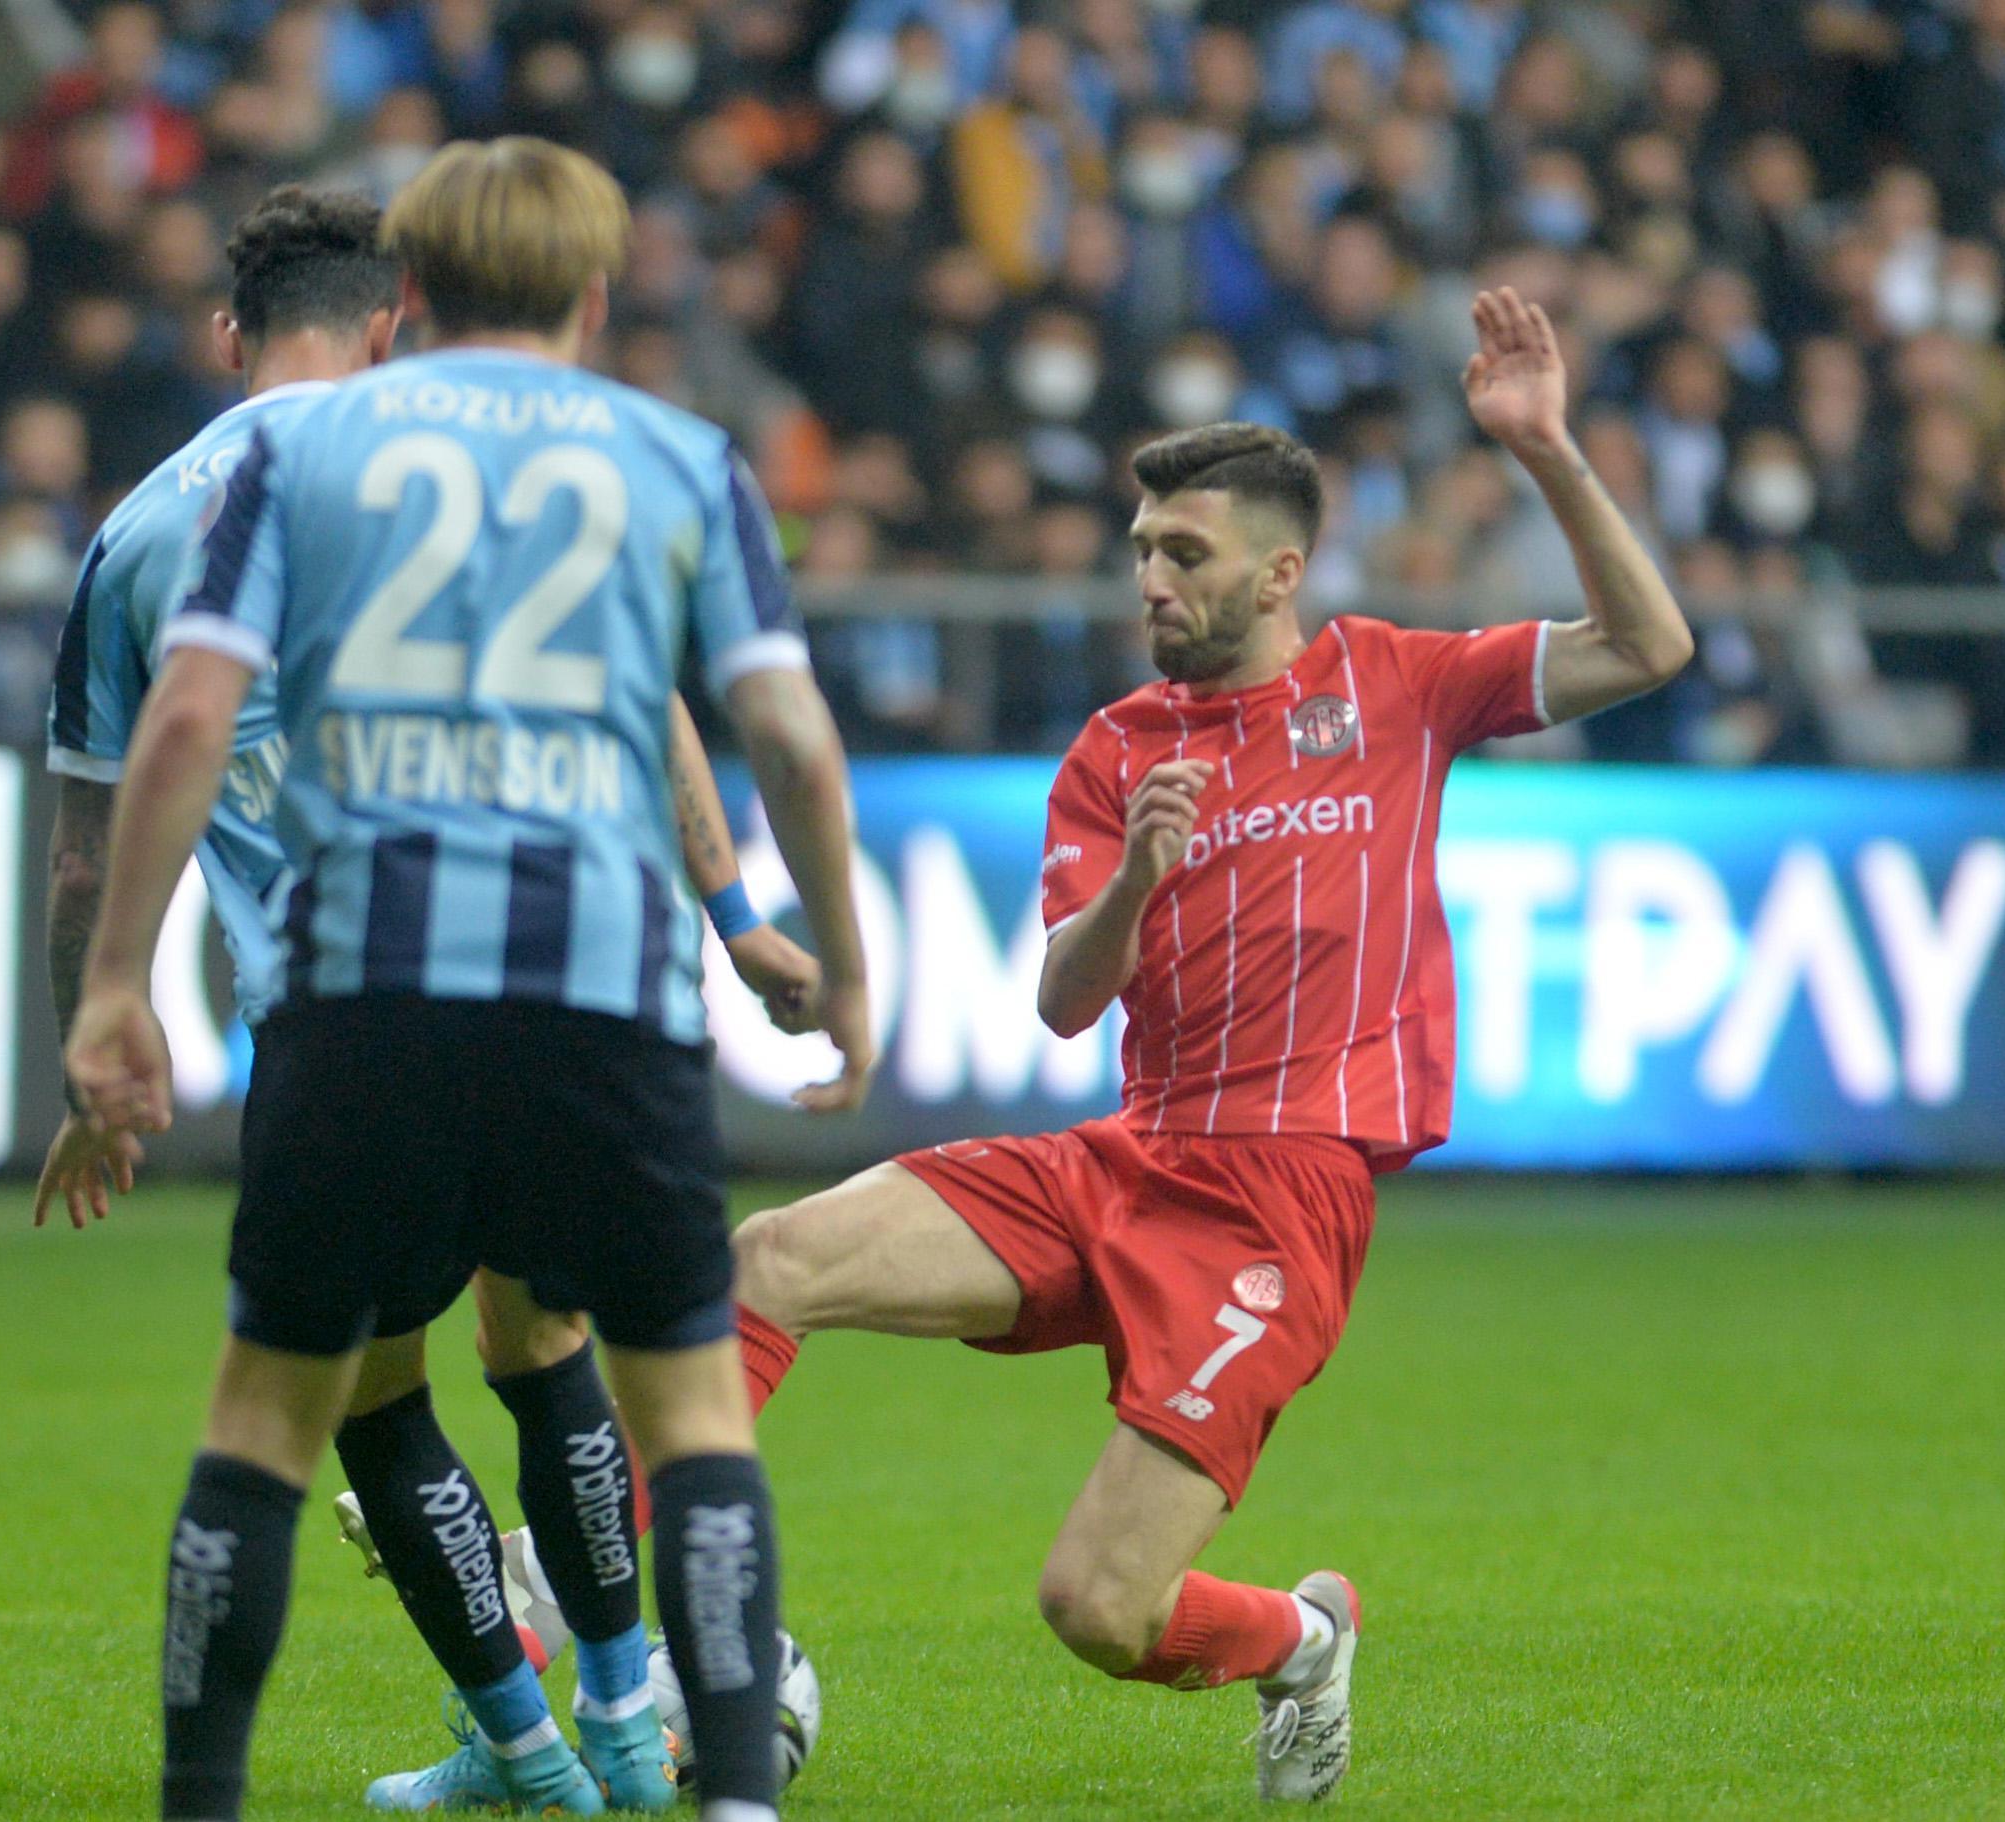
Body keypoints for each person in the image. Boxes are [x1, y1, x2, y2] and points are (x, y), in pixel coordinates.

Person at [489, 287, 1692, 1801]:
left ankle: (1301, 1638)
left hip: (1280, 1200)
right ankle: (601, 1589)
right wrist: (1135, 876)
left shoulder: (1393, 684)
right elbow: (1064, 997)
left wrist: (1544, 448)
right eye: (1139, 553)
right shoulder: (1118, 747)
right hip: (1123, 1157)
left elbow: (1651, 643)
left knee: (1096, 1610)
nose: (1149, 581)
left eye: (1182, 553)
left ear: (1280, 570)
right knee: (766, 1259)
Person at [63, 138, 872, 1822]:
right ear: (590, 294)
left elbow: (191, 721)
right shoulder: (671, 453)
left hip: (347, 987)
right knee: (679, 1404)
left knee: (271, 1424)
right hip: (598, 990)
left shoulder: (281, 468)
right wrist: (818, 959)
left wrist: (110, 991)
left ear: (412, 299)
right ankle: (694, 1773)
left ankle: (242, 1791)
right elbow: (772, 727)